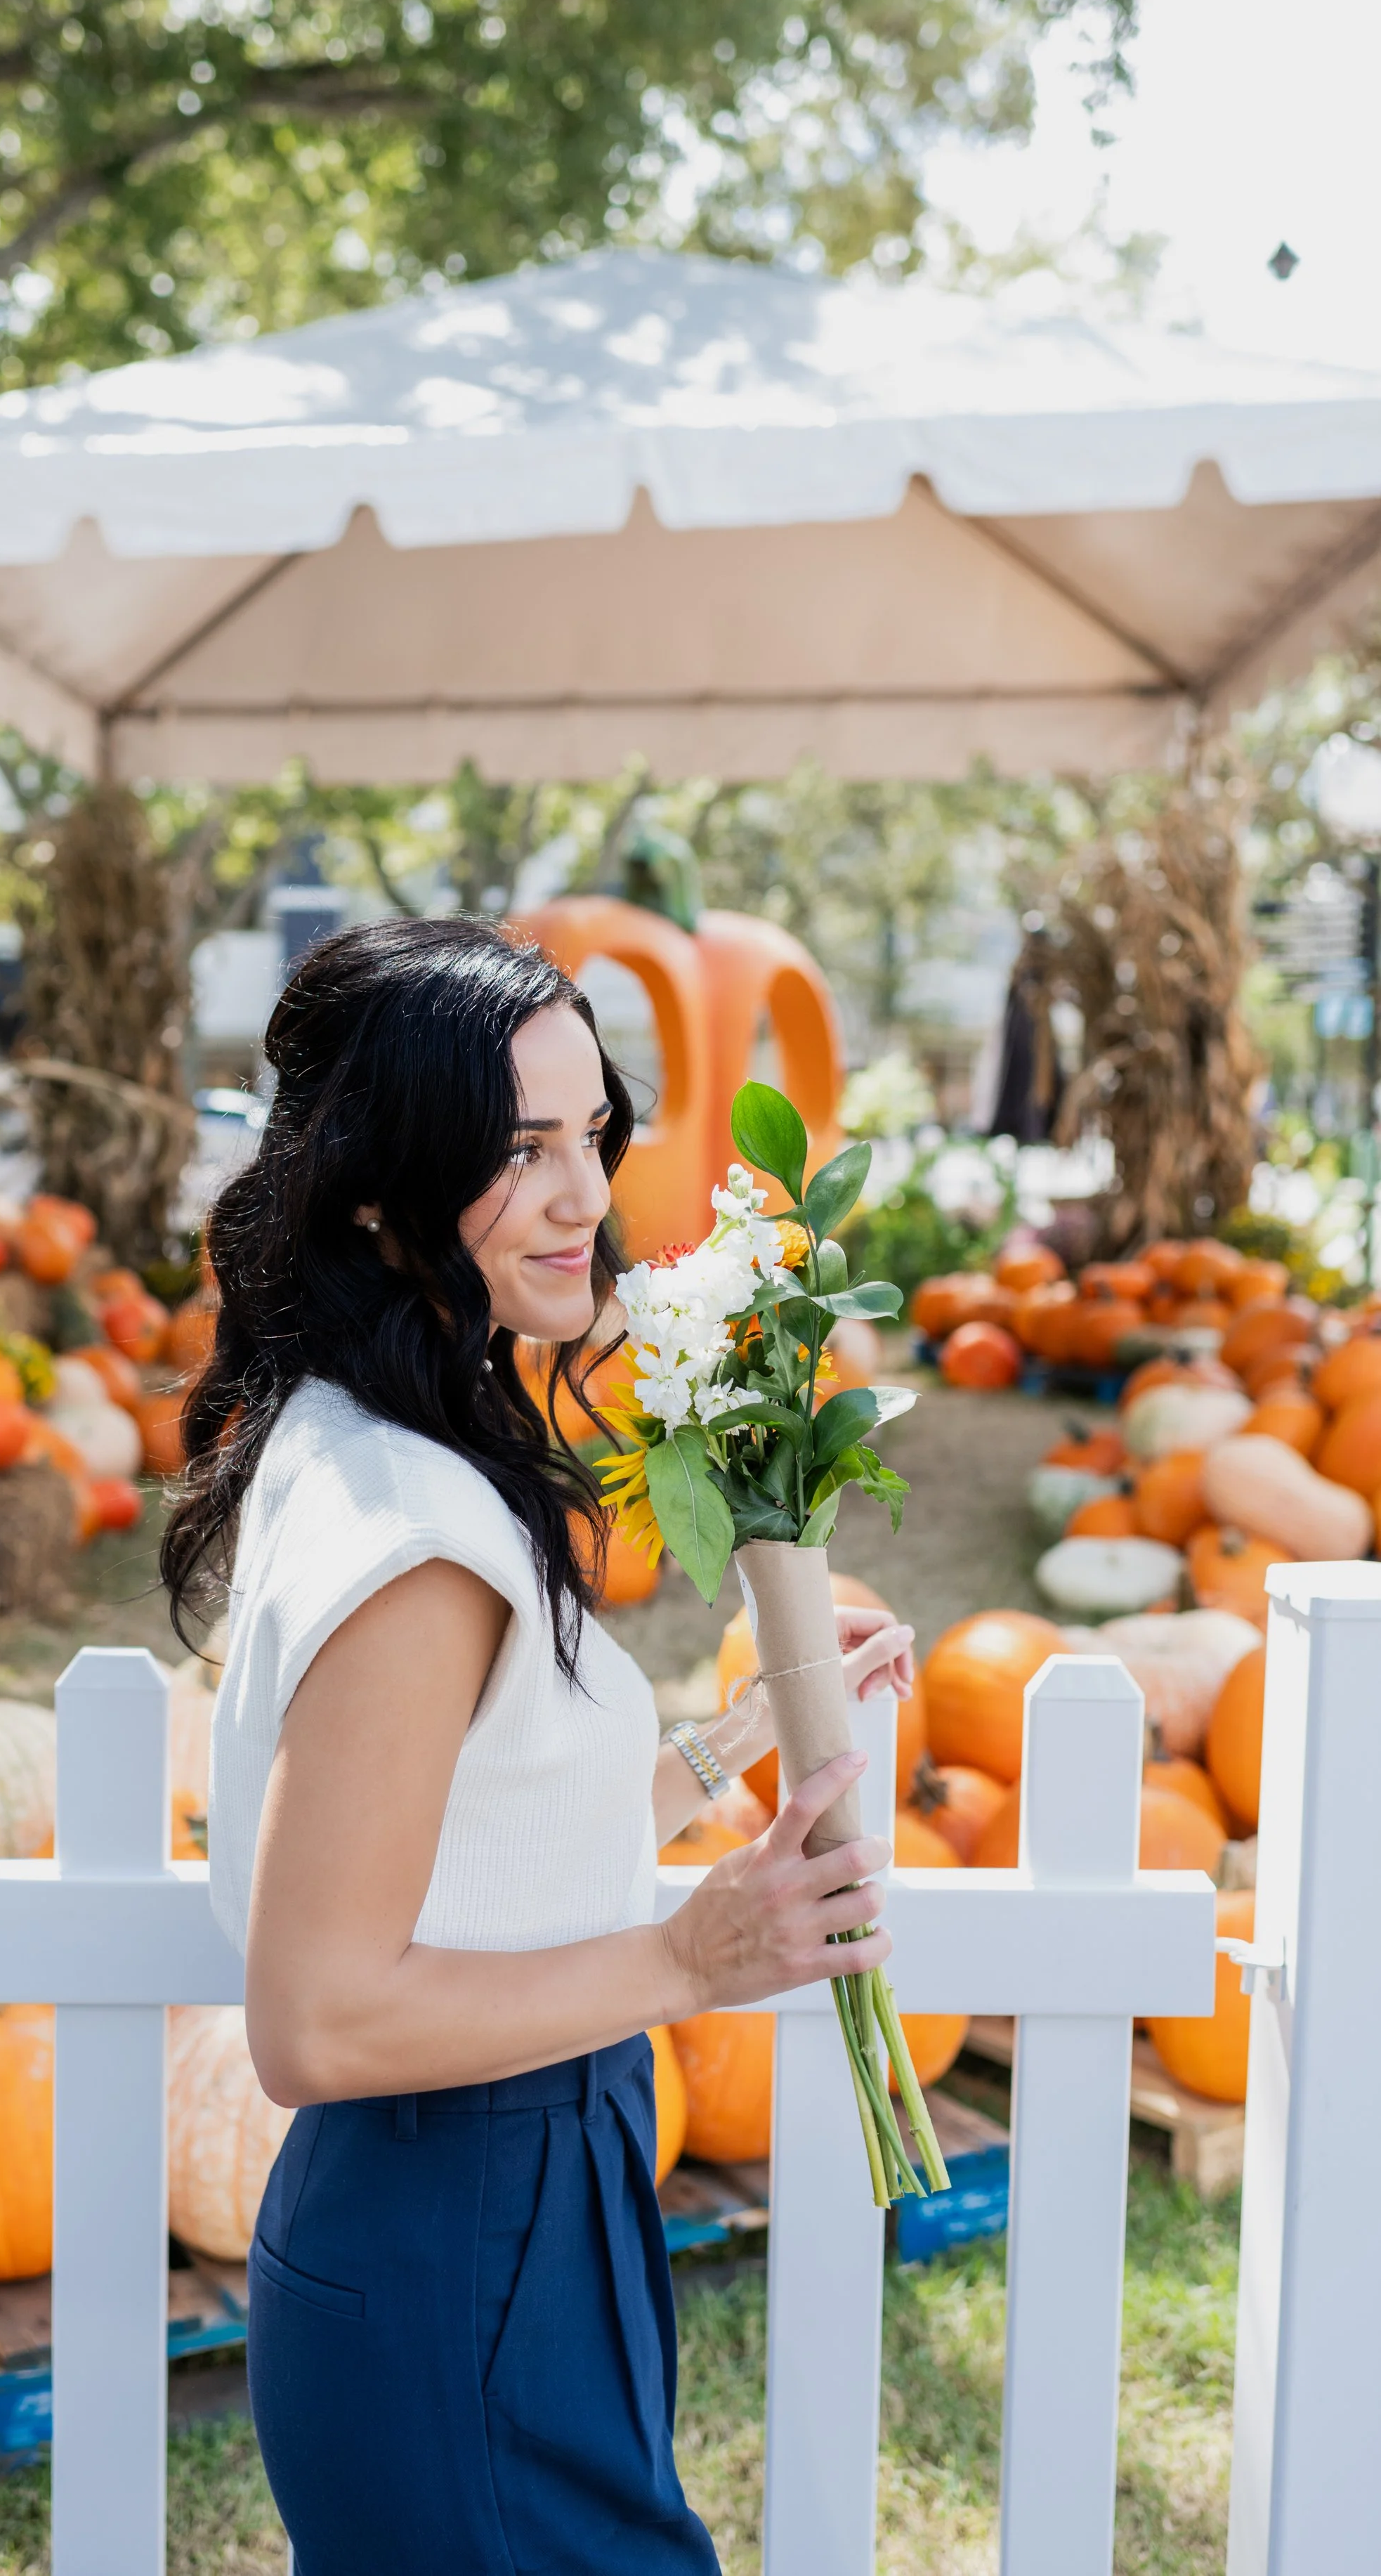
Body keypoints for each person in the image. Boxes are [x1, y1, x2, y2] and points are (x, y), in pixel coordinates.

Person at [161, 916, 915, 2576]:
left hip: (506, 2198)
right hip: (458, 2221)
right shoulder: (420, 1538)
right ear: (377, 1190)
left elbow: (475, 1835)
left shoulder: (378, 1430)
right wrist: (691, 1954)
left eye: (590, 1138)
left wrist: (725, 1745)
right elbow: (318, 2016)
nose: (584, 1198)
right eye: (517, 1152)